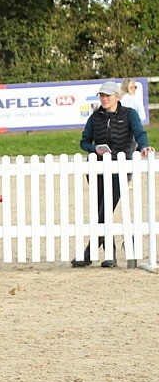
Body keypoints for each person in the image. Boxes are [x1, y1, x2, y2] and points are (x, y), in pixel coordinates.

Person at [72, 81, 153, 268]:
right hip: (96, 169)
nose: (104, 99)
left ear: (117, 97)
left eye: (108, 96)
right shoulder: (95, 117)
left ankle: (89, 253)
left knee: (105, 211)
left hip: (119, 170)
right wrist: (94, 149)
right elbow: (84, 143)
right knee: (101, 211)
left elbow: (139, 133)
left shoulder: (129, 115)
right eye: (102, 96)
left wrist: (143, 147)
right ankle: (110, 255)